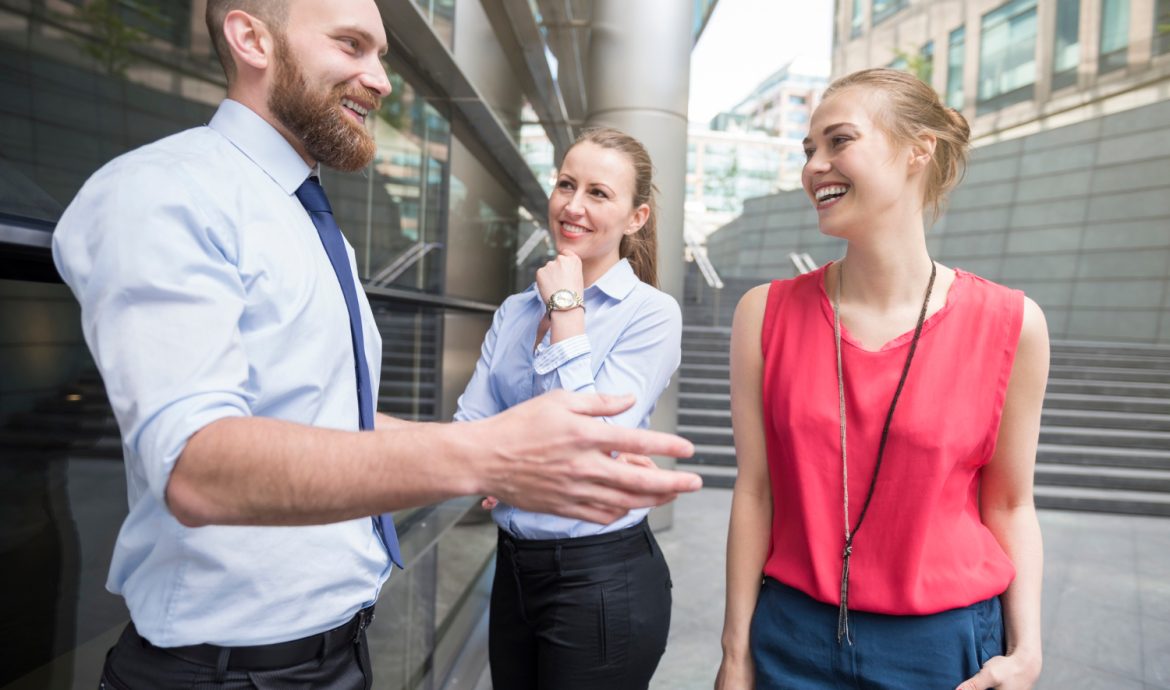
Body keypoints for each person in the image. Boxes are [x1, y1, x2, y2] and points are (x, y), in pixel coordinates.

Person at [51, 1, 701, 687]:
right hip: (229, 669)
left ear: (636, 217)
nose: (382, 78)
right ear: (251, 38)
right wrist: (488, 455)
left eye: (381, 54)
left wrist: (495, 451)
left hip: (360, 642)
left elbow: (335, 417)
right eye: (351, 44)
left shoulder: (305, 215)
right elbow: (196, 463)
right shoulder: (167, 190)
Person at [714, 68, 1047, 690]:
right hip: (788, 636)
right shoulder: (764, 312)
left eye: (839, 141)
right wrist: (735, 654)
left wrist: (1027, 649)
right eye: (809, 149)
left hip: (943, 649)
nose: (815, 165)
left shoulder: (1011, 323)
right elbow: (755, 490)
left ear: (919, 149)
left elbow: (1009, 501)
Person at [453, 127, 679, 690]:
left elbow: (593, 441)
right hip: (514, 568)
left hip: (601, 578)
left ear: (636, 218)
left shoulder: (651, 314)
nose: (572, 206)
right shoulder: (512, 309)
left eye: (598, 193)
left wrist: (566, 309)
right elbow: (472, 430)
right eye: (565, 185)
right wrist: (495, 460)